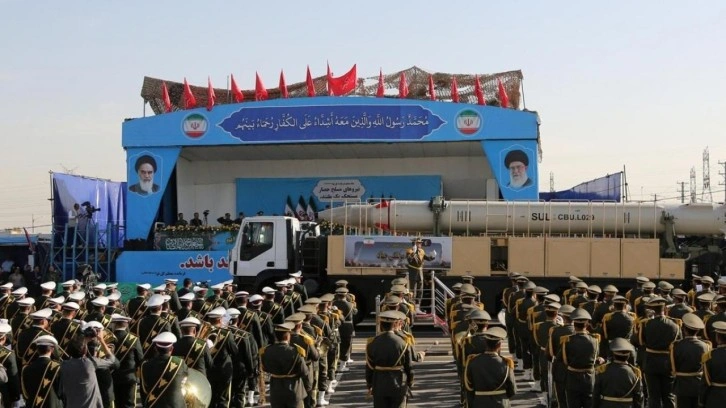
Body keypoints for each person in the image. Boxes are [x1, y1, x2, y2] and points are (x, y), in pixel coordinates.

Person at [59, 324, 118, 408]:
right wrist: (101, 340)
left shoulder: (64, 365)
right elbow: (112, 360)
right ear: (84, 350)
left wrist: (84, 339)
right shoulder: (90, 363)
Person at [365, 311, 413, 408]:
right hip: (399, 382)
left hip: (379, 384)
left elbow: (369, 367)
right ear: (395, 324)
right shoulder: (403, 342)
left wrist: (370, 384)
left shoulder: (372, 343)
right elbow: (409, 367)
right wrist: (409, 382)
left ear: (380, 325)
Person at [260, 322, 311, 408]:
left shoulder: (266, 351)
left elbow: (264, 368)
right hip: (294, 390)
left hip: (276, 391)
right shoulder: (295, 352)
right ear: (288, 336)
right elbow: (304, 372)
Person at [463, 326, 516, 407]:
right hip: (501, 403)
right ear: (499, 345)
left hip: (479, 403)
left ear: (485, 343)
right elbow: (512, 390)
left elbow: (469, 388)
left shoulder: (473, 361)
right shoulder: (506, 363)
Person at [139, 332, 189, 408]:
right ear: (171, 349)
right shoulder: (180, 363)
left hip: (154, 405)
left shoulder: (145, 365)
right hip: (176, 405)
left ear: (156, 349)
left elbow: (144, 391)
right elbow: (185, 380)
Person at [592, 337, 643, 408]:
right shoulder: (635, 373)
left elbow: (596, 395)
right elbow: (638, 398)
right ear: (628, 356)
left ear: (613, 354)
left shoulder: (603, 370)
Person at [20, 335, 63, 408]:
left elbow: (25, 394)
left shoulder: (26, 368)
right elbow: (61, 392)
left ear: (37, 350)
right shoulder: (58, 367)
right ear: (52, 349)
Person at [405, 238, 435, 310]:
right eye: (418, 243)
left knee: (420, 290)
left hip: (420, 272)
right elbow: (409, 260)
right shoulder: (409, 251)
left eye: (420, 243)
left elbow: (427, 258)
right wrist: (414, 252)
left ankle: (418, 307)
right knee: (413, 290)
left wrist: (432, 256)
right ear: (414, 244)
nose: (420, 244)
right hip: (413, 272)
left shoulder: (422, 251)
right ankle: (412, 307)